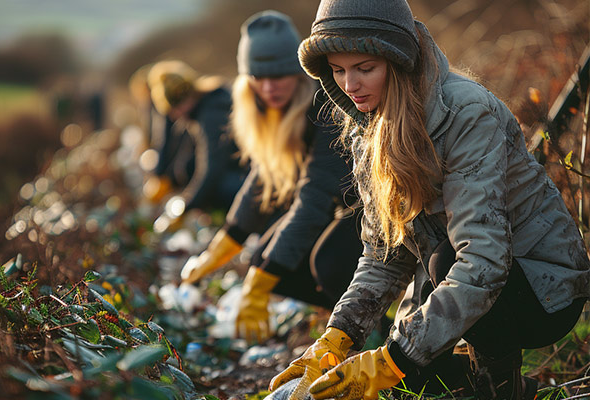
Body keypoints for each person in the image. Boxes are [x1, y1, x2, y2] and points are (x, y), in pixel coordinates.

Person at [269, 1, 590, 400]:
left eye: (364, 68)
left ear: (398, 61)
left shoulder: (467, 113)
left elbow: (484, 259)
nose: (349, 85)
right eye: (338, 70)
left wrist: (392, 359)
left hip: (542, 287)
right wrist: (339, 336)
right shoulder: (366, 130)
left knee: (439, 273)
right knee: (410, 382)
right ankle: (519, 389)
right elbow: (382, 255)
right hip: (463, 279)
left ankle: (501, 391)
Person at [180, 10, 364, 344]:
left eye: (279, 74)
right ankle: (349, 313)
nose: (268, 87)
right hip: (337, 207)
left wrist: (257, 285)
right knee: (261, 257)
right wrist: (221, 247)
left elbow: (314, 200)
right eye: (258, 77)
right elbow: (262, 178)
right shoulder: (264, 108)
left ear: (298, 71)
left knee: (326, 262)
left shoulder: (324, 105)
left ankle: (365, 324)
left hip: (366, 209)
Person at [146, 60, 246, 219]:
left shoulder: (211, 114)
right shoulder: (202, 109)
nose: (173, 116)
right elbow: (188, 159)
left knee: (218, 188)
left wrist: (186, 205)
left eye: (172, 110)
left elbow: (212, 168)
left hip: (244, 175)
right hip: (240, 172)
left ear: (180, 101)